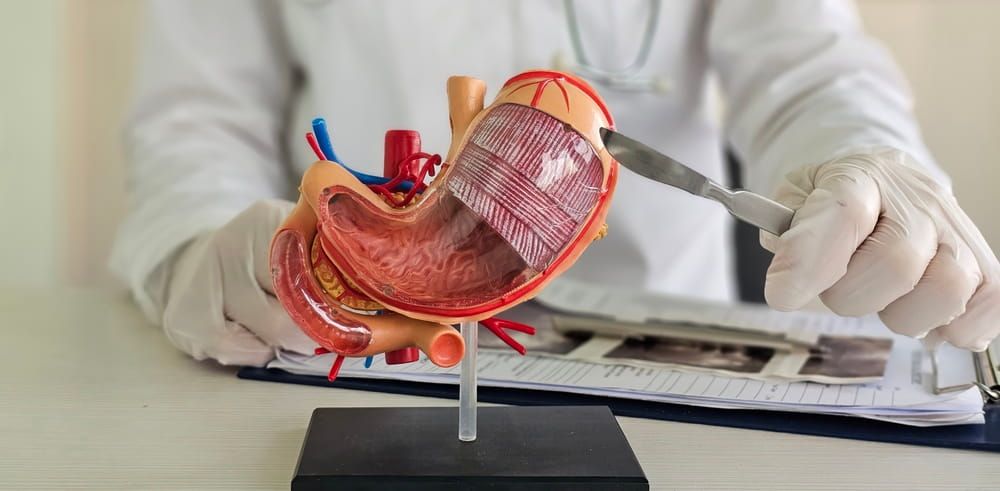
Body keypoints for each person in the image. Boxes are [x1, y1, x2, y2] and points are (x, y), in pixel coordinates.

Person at [111, 0, 1000, 367]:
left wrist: (868, 159)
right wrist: (198, 240)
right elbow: (198, 116)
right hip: (359, 351)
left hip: (665, 363)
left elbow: (811, 69)